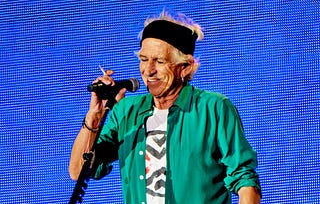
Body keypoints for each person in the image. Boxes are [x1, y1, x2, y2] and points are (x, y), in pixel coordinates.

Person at [69, 11, 261, 204]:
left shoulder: (214, 108)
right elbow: (78, 170)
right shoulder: (127, 112)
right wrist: (95, 116)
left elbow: (245, 181)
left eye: (159, 61)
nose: (149, 70)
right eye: (144, 59)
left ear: (185, 66)